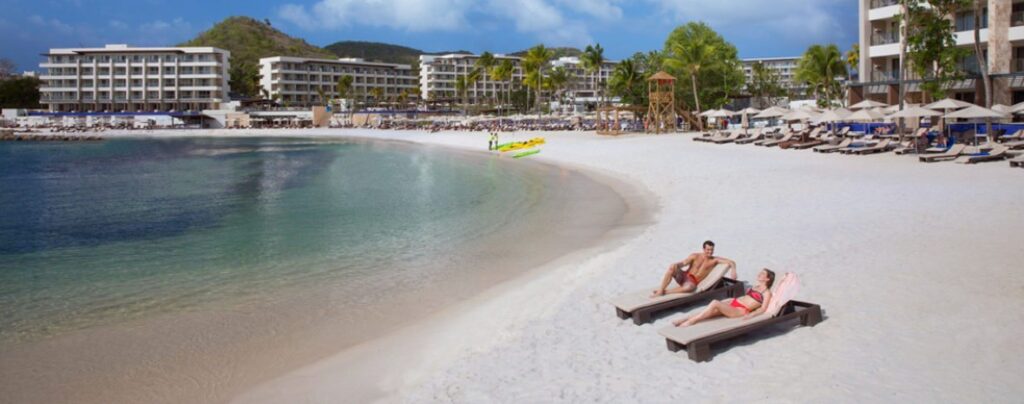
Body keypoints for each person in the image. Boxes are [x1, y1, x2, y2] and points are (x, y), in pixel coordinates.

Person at [672, 268, 775, 327]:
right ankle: (684, 319)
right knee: (710, 311)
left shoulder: (767, 293)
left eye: (762, 274)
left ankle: (692, 321)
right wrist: (731, 301)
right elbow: (745, 297)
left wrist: (752, 315)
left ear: (767, 279)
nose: (759, 274)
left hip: (741, 310)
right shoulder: (755, 286)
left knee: (715, 302)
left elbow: (762, 308)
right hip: (733, 303)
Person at [650, 241, 736, 297]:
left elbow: (731, 262)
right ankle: (661, 290)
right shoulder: (695, 256)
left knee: (690, 287)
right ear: (703, 249)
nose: (710, 252)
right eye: (708, 249)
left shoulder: (714, 260)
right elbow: (684, 263)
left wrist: (733, 270)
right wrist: (677, 265)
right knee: (672, 267)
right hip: (684, 276)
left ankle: (665, 292)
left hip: (692, 281)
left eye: (712, 250)